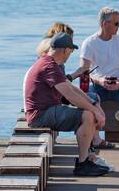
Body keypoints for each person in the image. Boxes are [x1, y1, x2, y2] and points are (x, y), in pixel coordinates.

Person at [24, 30, 110, 177]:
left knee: (89, 109)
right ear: (64, 50)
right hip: (40, 115)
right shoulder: (48, 66)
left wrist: (93, 103)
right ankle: (83, 164)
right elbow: (69, 95)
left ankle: (87, 157)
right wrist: (94, 111)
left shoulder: (50, 63)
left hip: (48, 109)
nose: (69, 57)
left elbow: (71, 88)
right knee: (87, 116)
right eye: (69, 52)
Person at [77, 6, 119, 147]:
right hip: (98, 86)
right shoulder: (89, 43)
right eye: (116, 23)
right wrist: (100, 80)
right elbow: (84, 72)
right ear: (105, 24)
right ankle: (94, 137)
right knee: (88, 93)